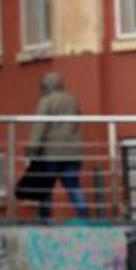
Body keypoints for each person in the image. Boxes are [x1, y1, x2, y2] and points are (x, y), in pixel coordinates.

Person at [26, 72, 91, 220]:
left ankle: (44, 217)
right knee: (73, 185)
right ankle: (83, 213)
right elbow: (77, 122)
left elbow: (39, 127)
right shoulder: (72, 100)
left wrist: (31, 151)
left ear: (46, 86)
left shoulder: (46, 101)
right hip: (72, 153)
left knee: (46, 185)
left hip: (51, 152)